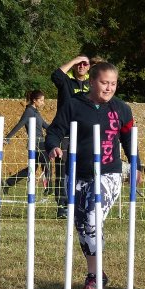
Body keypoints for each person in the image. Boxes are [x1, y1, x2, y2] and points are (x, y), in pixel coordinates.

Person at [46, 62, 142, 289]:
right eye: (104, 83)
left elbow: (129, 140)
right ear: (92, 81)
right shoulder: (73, 105)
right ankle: (96, 273)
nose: (109, 88)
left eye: (113, 83)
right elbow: (55, 131)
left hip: (109, 173)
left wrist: (135, 166)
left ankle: (94, 275)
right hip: (76, 173)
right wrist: (52, 147)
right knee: (82, 226)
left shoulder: (122, 110)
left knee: (91, 217)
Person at [51, 54, 92, 218]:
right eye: (78, 64)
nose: (81, 66)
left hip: (86, 133)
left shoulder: (92, 83)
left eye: (84, 64)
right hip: (66, 133)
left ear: (89, 67)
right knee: (63, 170)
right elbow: (56, 75)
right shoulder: (66, 82)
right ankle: (62, 206)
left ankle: (83, 203)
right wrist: (74, 60)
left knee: (86, 169)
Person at [2, 90, 51, 195]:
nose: (43, 103)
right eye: (41, 100)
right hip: (36, 144)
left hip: (40, 143)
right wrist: (7, 138)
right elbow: (20, 124)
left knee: (33, 168)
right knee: (46, 164)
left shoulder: (36, 112)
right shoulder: (29, 111)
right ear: (34, 100)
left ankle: (8, 183)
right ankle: (49, 188)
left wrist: (60, 131)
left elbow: (45, 126)